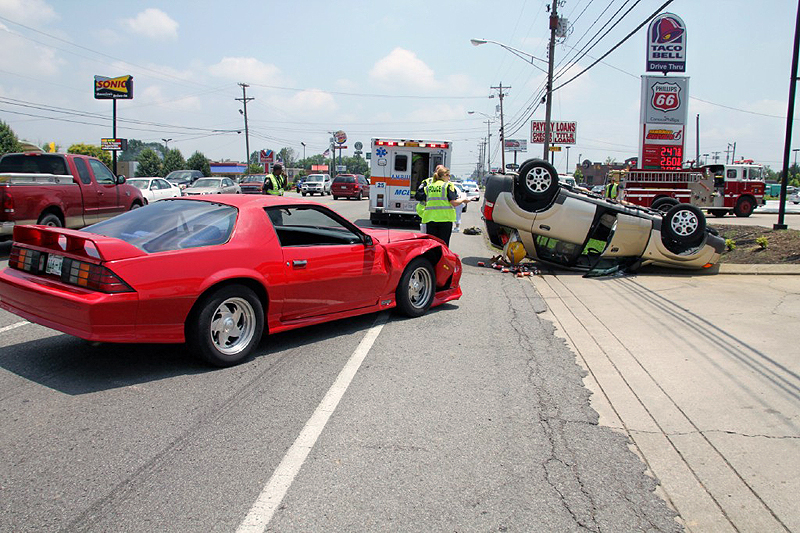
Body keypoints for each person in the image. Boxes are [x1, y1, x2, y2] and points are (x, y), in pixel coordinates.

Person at [414, 166, 470, 247]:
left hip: (430, 219)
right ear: (444, 175)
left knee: (432, 246)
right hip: (445, 219)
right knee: (443, 245)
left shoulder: (429, 187)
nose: (449, 178)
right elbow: (454, 202)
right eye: (448, 175)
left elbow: (420, 197)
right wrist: (463, 200)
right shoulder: (447, 186)